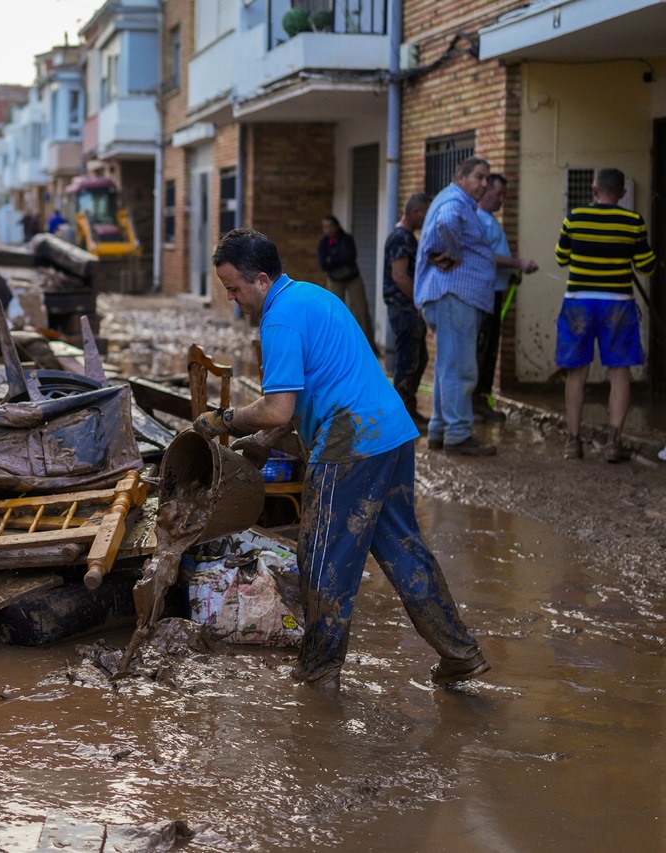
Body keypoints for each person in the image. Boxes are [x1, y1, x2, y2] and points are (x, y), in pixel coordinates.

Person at [193, 228, 489, 688]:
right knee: (404, 550)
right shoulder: (313, 297)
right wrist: (266, 442)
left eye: (234, 288)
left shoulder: (279, 321)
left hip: (349, 445)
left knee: (324, 561)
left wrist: (224, 420)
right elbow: (312, 390)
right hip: (390, 432)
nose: (233, 300)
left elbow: (277, 406)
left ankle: (318, 672)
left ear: (262, 280)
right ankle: (460, 653)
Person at [554, 167, 658, 462]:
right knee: (619, 371)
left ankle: (573, 442)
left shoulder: (574, 218)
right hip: (618, 304)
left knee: (577, 373)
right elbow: (646, 267)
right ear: (623, 194)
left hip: (578, 303)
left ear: (594, 190)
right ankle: (614, 443)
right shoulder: (633, 221)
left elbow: (561, 258)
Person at [414, 156, 498, 456]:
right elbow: (447, 222)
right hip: (454, 296)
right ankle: (458, 434)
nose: (484, 184)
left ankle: (440, 430)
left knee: (448, 367)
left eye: (487, 178)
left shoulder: (453, 199)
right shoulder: (455, 201)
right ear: (461, 177)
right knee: (461, 369)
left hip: (451, 297)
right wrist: (454, 252)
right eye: (479, 177)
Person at [474, 174, 539, 422]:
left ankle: (481, 400)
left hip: (497, 290)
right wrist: (518, 263)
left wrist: (512, 273)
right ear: (485, 192)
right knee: (483, 349)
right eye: (497, 194)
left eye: (504, 195)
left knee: (490, 349)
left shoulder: (490, 220)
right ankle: (476, 402)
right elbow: (486, 255)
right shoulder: (479, 219)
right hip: (485, 295)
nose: (501, 200)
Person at [383, 193, 431, 426]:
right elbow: (400, 277)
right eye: (425, 213)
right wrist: (419, 301)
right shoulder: (401, 238)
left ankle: (408, 411)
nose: (427, 219)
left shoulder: (407, 238)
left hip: (407, 308)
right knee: (408, 361)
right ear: (415, 213)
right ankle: (402, 416)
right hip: (404, 309)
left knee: (418, 358)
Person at [316, 215, 375, 347]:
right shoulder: (323, 243)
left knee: (361, 311)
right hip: (334, 279)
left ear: (337, 226)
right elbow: (324, 265)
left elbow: (350, 257)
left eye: (331, 226)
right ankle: (339, 344)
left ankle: (368, 345)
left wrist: (332, 259)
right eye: (326, 227)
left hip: (352, 278)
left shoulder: (346, 239)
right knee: (335, 312)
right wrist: (337, 259)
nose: (329, 229)